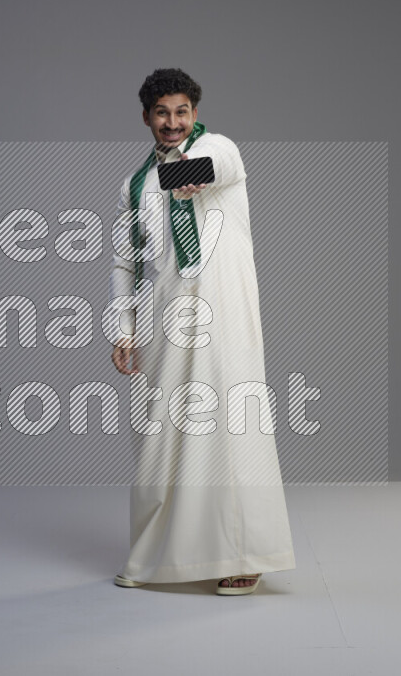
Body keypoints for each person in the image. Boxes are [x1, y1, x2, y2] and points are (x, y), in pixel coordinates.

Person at [107, 68, 296, 595]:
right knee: (159, 435)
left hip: (223, 311)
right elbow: (125, 263)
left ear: (194, 112)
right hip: (164, 319)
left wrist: (196, 172)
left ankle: (245, 554)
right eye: (162, 113)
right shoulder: (133, 185)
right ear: (146, 117)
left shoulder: (218, 147)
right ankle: (155, 556)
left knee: (231, 426)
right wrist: (123, 327)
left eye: (181, 112)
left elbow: (219, 167)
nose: (173, 123)